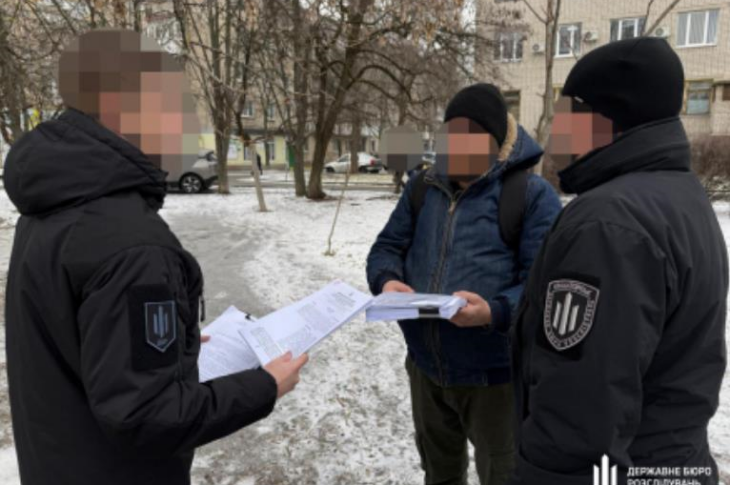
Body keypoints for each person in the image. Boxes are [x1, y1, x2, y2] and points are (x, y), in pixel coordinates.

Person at [4, 29, 307, 485]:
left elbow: (79, 337)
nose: (184, 122)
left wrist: (169, 345)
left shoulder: (55, 203)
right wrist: (263, 386)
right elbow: (147, 417)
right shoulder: (134, 245)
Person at [508, 38, 727, 485]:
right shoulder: (680, 196)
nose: (553, 131)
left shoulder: (607, 222)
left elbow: (579, 410)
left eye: (563, 112)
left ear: (598, 119)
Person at [366, 83, 562, 485]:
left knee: (503, 475)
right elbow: (387, 247)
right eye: (451, 134)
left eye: (470, 136)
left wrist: (495, 311)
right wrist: (387, 280)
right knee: (439, 473)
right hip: (425, 369)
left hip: (494, 379)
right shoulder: (422, 187)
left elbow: (544, 285)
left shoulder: (531, 196)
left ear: (495, 142)